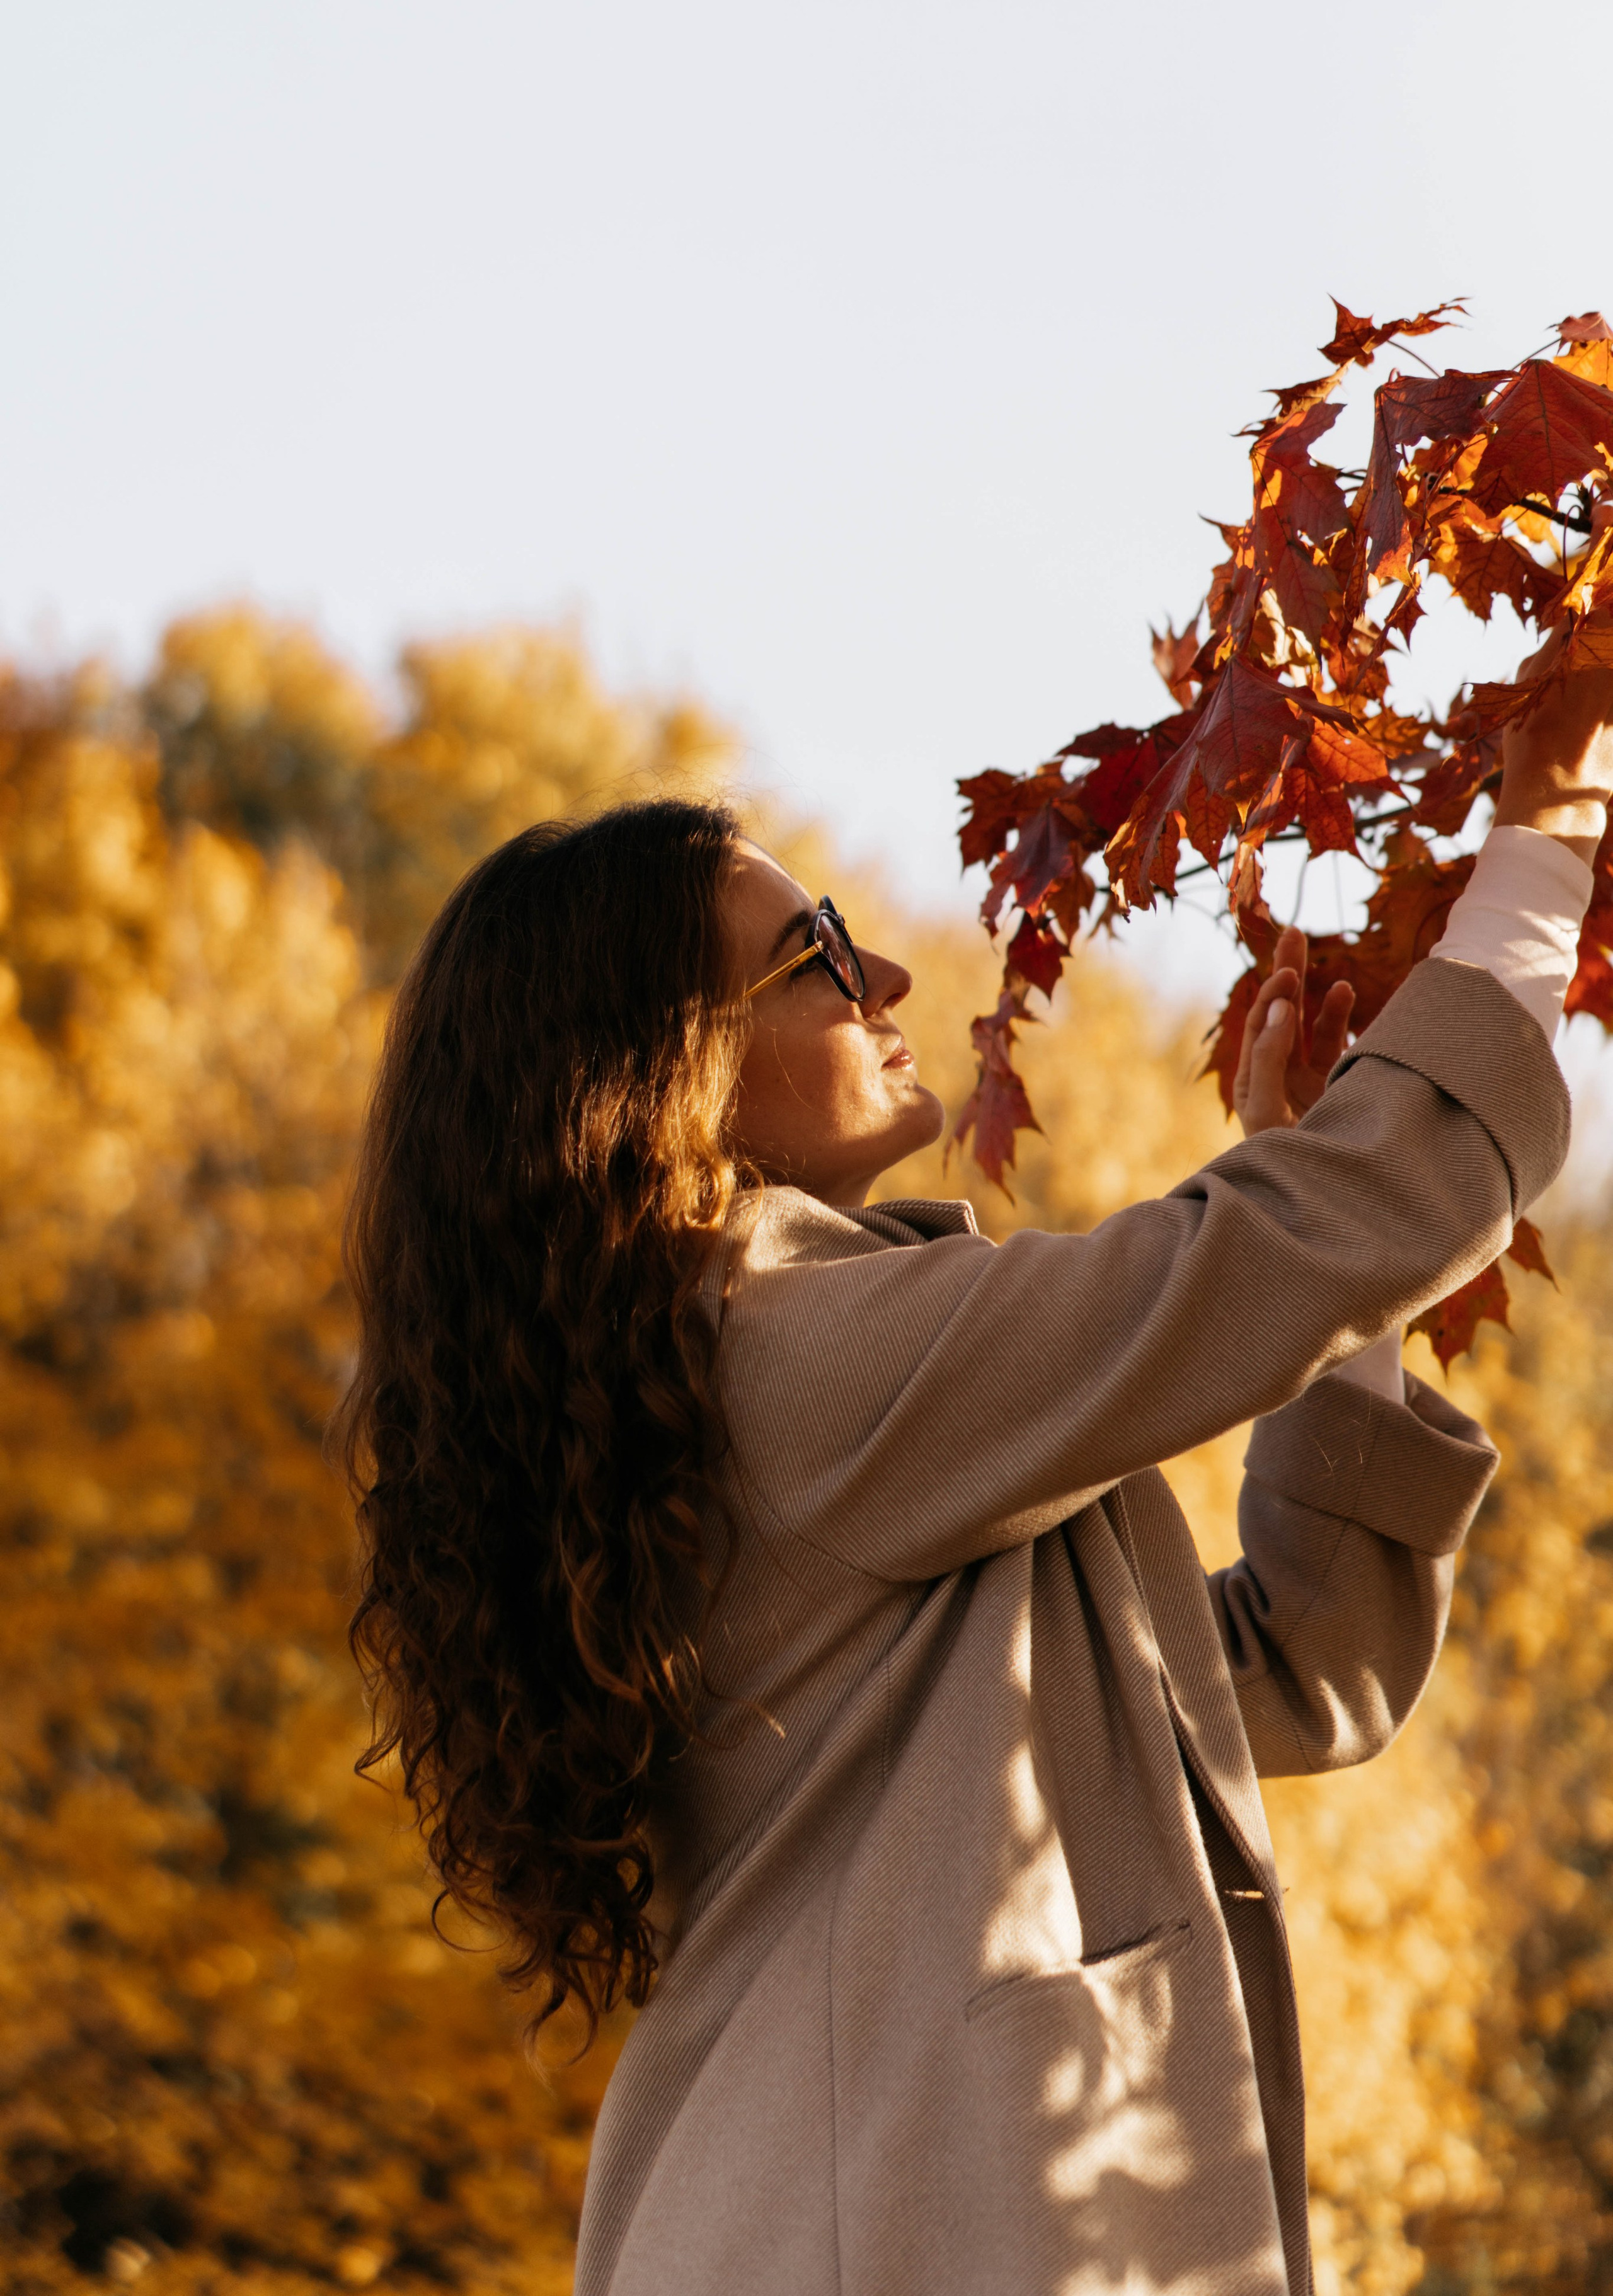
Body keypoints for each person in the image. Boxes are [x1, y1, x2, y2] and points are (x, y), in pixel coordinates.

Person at [338, 676, 1613, 2296]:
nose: (878, 973)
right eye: (807, 952)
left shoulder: (776, 1407)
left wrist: (1342, 1296)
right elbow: (1303, 1239)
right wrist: (1543, 839)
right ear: (662, 1071)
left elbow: (1298, 1671)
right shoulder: (789, 1350)